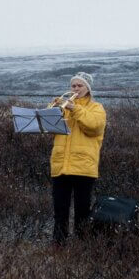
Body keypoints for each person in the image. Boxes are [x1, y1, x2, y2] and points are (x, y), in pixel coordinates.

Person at [49, 72, 106, 245]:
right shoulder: (64, 107)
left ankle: (81, 247)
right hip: (60, 165)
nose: (75, 89)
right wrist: (53, 110)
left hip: (83, 166)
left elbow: (94, 127)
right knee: (60, 209)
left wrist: (76, 109)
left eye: (79, 86)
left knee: (82, 210)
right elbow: (50, 128)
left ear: (88, 89)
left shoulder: (96, 107)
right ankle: (59, 244)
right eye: (73, 85)